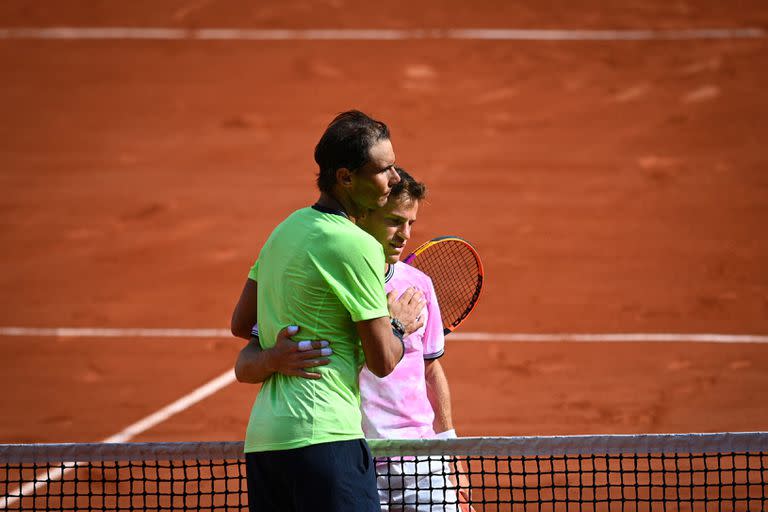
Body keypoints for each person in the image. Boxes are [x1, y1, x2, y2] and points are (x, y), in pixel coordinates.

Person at [236, 168, 471, 511]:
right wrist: (273, 358)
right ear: (363, 216)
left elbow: (431, 370)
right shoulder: (325, 282)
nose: (404, 235)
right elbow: (245, 358)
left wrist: (450, 447)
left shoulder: (419, 285)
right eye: (394, 221)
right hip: (356, 458)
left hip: (422, 463)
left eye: (411, 223)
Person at [230, 110, 426, 512]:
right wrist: (399, 325)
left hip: (266, 444)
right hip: (326, 441)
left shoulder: (284, 229)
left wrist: (271, 356)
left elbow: (240, 323)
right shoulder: (357, 245)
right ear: (346, 178)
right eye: (383, 169)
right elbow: (383, 360)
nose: (394, 178)